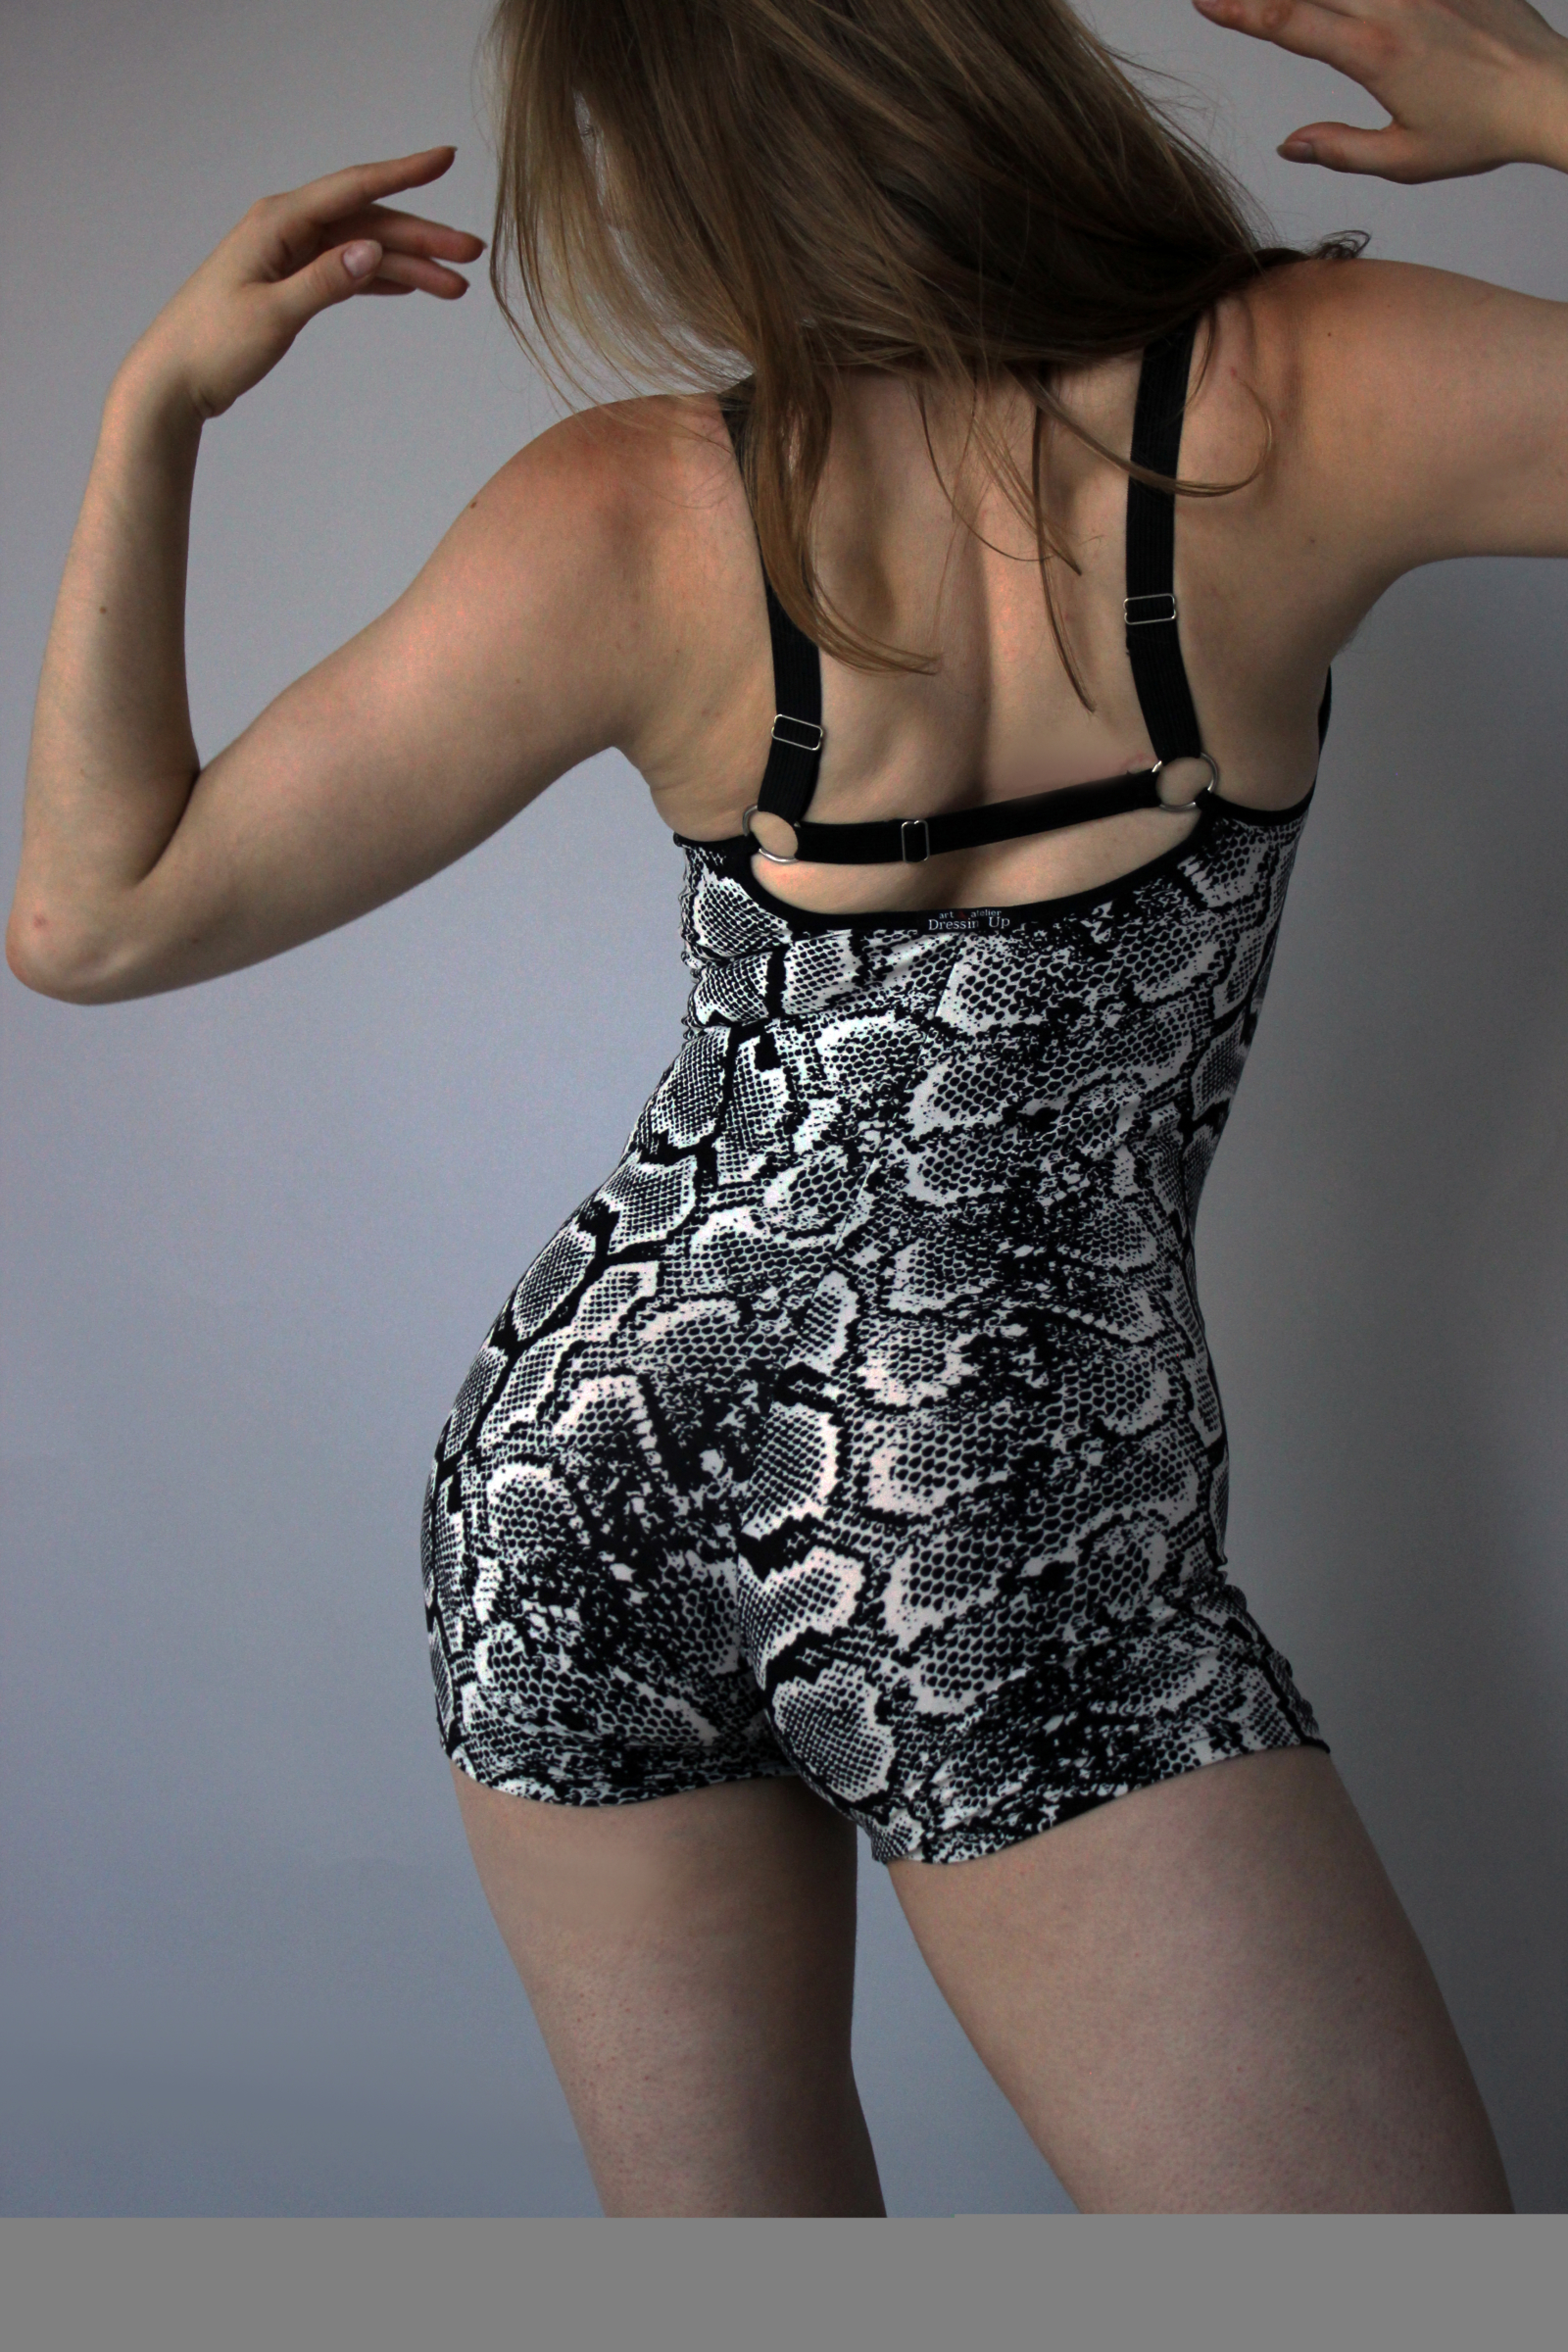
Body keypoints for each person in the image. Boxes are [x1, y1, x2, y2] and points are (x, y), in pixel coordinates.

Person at [10, 0, 1564, 2215]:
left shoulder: (631, 507)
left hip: (580, 1477)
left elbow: (94, 914)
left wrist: (152, 410)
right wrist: (1552, 108)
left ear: (663, 163)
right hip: (998, 1499)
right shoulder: (1308, 395)